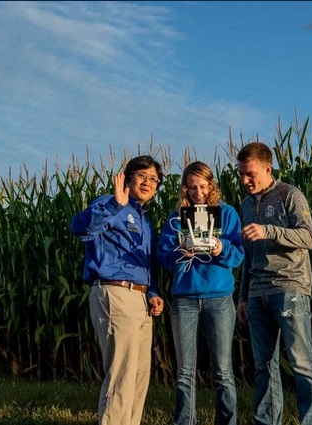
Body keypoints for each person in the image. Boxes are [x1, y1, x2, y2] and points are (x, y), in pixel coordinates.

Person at [234, 142, 312, 425]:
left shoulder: (290, 195)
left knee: (301, 363)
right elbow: (248, 256)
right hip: (258, 293)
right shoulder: (246, 205)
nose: (245, 181)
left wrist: (269, 230)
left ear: (267, 168)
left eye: (250, 174)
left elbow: (308, 237)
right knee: (264, 366)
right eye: (241, 175)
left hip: (289, 289)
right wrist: (242, 296)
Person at [70, 155, 166, 425]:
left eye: (153, 179)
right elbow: (80, 229)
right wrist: (115, 204)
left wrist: (153, 292)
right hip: (115, 294)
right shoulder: (109, 204)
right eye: (142, 176)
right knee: (121, 375)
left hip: (140, 300)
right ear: (127, 177)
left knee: (138, 377)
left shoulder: (145, 221)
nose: (148, 182)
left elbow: (147, 264)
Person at [157, 161, 245, 425]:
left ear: (211, 185)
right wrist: (181, 252)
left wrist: (221, 248)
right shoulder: (176, 219)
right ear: (185, 187)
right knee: (185, 371)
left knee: (223, 370)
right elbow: (163, 258)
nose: (198, 193)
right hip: (184, 299)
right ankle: (186, 421)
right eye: (192, 187)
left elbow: (239, 255)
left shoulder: (227, 214)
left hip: (219, 298)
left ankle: (227, 422)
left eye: (203, 186)